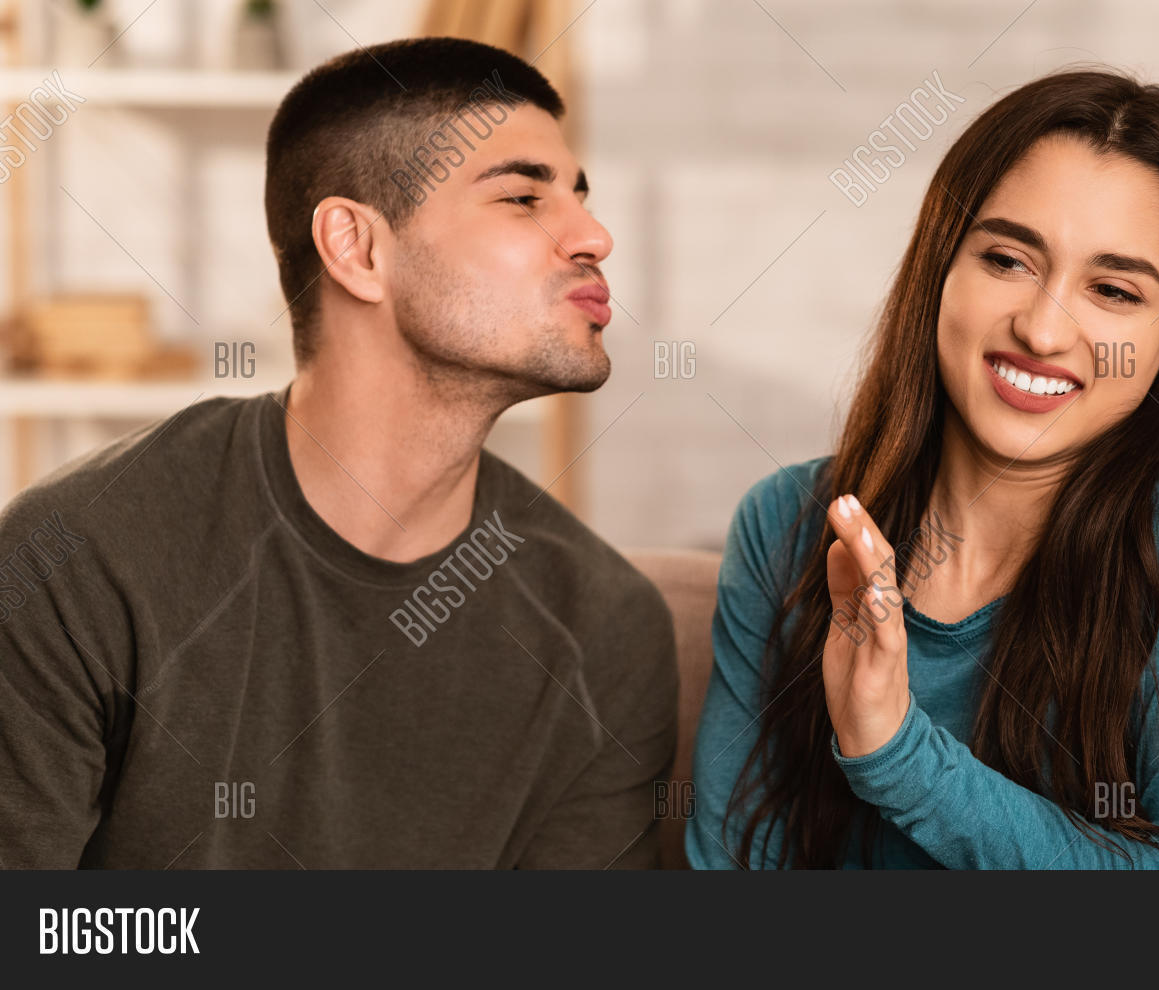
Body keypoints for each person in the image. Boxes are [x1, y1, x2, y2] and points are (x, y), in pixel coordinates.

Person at [0, 37, 677, 868]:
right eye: (522, 198)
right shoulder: (77, 560)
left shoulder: (605, 627)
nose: (594, 236)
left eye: (580, 196)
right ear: (356, 248)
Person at [689, 69, 1159, 869]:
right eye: (1009, 260)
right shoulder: (785, 524)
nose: (1043, 331)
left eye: (1112, 290)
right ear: (940, 269)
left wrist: (899, 754)